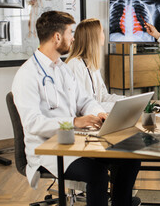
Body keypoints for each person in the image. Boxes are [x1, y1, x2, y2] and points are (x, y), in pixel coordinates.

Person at [12, 11, 141, 206]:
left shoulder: (62, 68)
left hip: (76, 141)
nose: (73, 38)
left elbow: (85, 100)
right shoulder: (27, 75)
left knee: (129, 159)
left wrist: (99, 113)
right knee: (97, 175)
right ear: (57, 37)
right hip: (49, 149)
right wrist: (73, 122)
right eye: (70, 32)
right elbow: (32, 123)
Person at [66, 18, 124, 112]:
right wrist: (120, 107)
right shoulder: (75, 65)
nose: (104, 36)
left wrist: (126, 100)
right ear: (94, 37)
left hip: (96, 116)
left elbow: (104, 96)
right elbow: (83, 105)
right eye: (102, 32)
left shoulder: (92, 65)